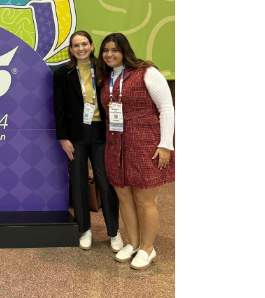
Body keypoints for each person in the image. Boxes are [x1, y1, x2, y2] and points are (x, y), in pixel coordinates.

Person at [98, 33, 175, 270]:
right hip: (116, 145)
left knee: (143, 200)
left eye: (114, 50)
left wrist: (165, 144)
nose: (109, 55)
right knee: (124, 197)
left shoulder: (147, 72)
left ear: (124, 51)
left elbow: (166, 108)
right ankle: (132, 243)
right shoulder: (106, 78)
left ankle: (148, 248)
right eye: (105, 50)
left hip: (145, 144)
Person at [53, 31, 122, 252]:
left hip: (102, 133)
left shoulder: (105, 70)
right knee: (79, 181)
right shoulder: (62, 74)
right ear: (71, 50)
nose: (80, 48)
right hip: (75, 135)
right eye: (76, 45)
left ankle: (114, 232)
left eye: (84, 44)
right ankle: (85, 230)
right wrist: (63, 137)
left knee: (105, 182)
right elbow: (59, 109)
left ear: (92, 46)